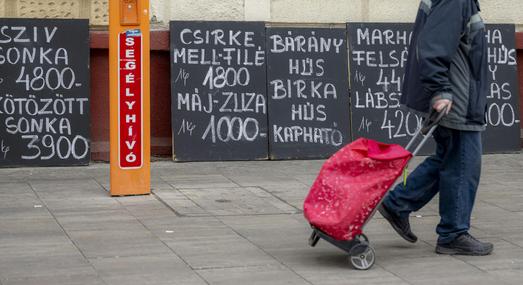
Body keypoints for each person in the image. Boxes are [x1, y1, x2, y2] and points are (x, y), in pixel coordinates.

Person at [378, 0, 493, 256]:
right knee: (464, 164)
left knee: (448, 159)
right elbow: (433, 46)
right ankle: (453, 234)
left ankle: (398, 204)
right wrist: (440, 90)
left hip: (458, 97)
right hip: (456, 100)